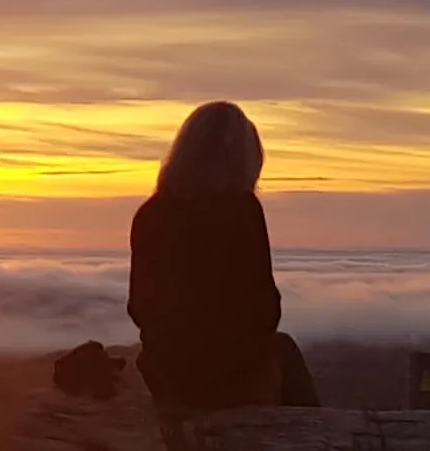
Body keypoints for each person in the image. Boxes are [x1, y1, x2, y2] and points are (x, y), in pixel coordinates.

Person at [127, 101, 319, 413]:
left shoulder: (150, 213)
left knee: (281, 349)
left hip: (167, 374)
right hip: (228, 378)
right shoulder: (240, 210)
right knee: (284, 351)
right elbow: (263, 309)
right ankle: (312, 437)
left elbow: (139, 306)